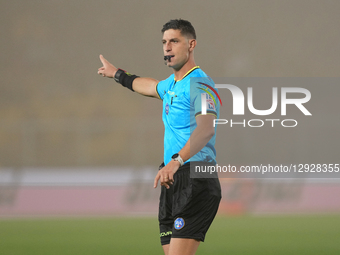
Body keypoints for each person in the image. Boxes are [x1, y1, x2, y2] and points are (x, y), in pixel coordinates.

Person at [98, 19, 221, 255]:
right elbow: (150, 86)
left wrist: (177, 160)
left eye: (174, 41)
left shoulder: (201, 83)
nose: (167, 47)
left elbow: (206, 129)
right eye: (164, 42)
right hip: (173, 176)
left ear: (191, 44)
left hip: (195, 174)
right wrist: (118, 74)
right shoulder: (172, 85)